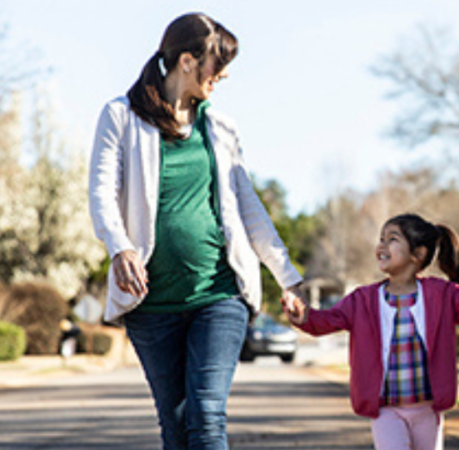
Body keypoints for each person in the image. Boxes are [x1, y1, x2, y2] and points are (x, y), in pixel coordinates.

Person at [88, 13, 304, 450]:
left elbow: (249, 209)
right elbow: (101, 193)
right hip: (151, 302)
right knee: (176, 424)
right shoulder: (121, 117)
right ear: (187, 61)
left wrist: (288, 276)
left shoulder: (221, 128)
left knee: (206, 417)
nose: (222, 74)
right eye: (216, 63)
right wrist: (120, 248)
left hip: (218, 294)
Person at [283, 213, 459, 450]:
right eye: (381, 239)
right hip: (386, 411)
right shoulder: (363, 299)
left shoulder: (441, 294)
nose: (381, 246)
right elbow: (328, 320)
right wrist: (305, 317)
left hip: (427, 409)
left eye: (392, 239)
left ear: (418, 254)